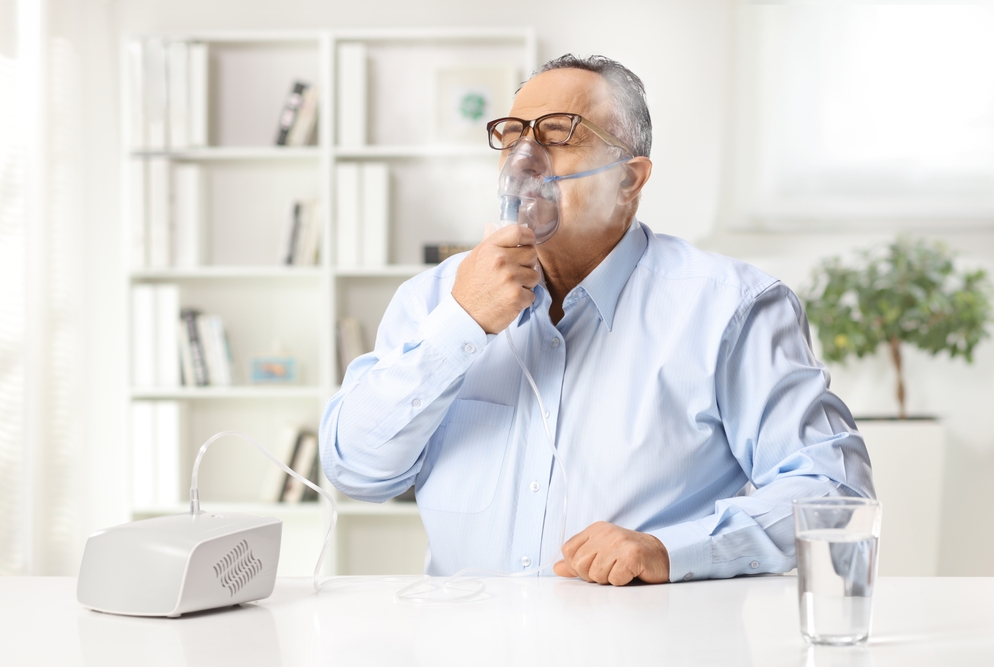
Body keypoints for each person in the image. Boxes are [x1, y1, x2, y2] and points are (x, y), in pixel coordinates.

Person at [320, 54, 875, 586]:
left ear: (629, 181)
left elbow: (833, 493)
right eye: (512, 134)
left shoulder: (732, 307)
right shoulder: (435, 300)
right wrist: (463, 325)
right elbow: (356, 472)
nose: (525, 158)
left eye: (560, 132)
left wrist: (673, 551)